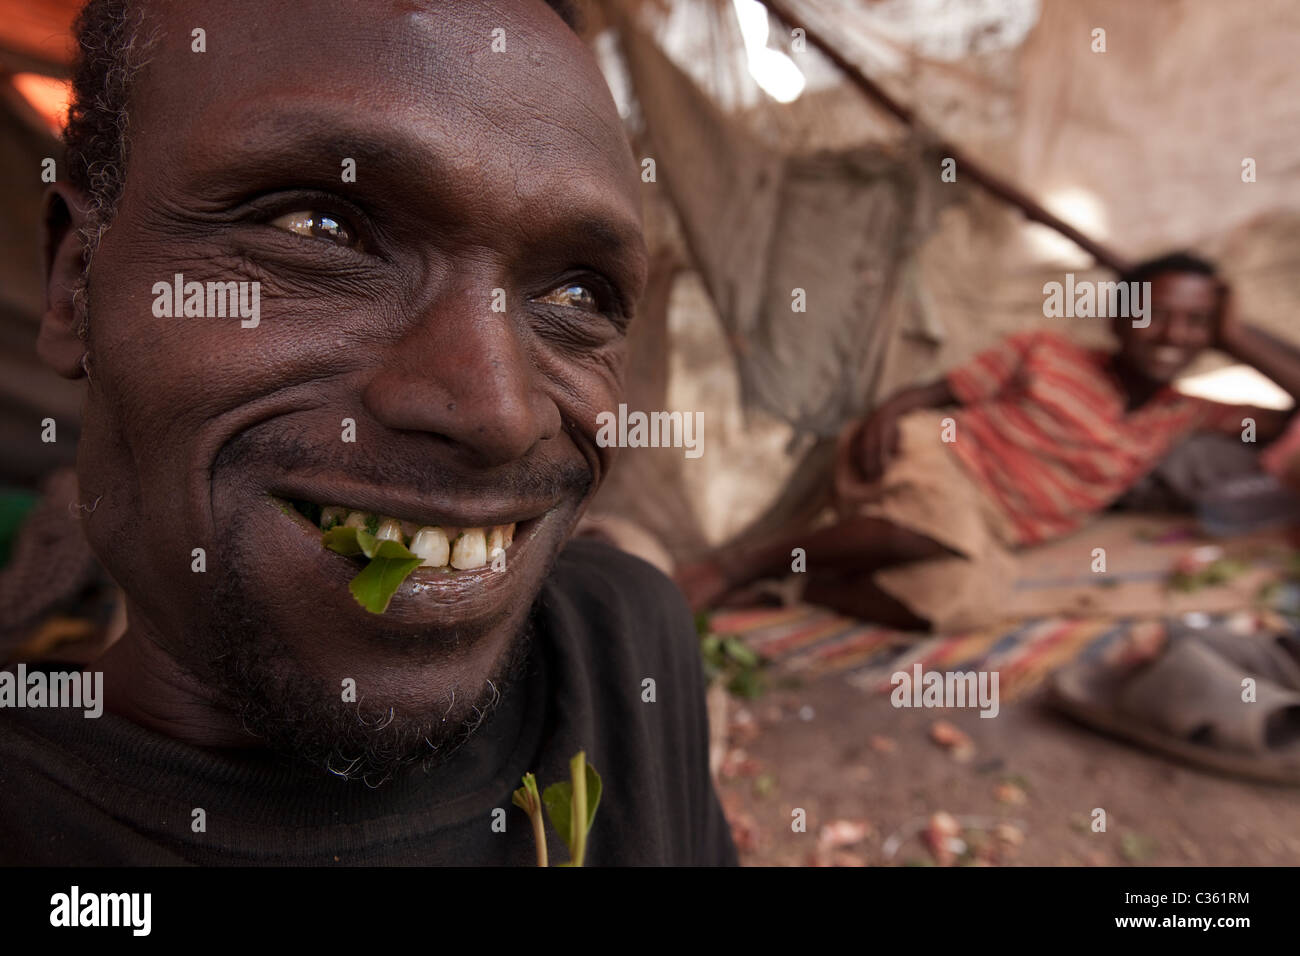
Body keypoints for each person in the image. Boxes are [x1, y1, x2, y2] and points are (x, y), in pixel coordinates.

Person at [0, 0, 736, 866]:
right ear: (75, 281)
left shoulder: (624, 646)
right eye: (322, 228)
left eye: (578, 295)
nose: (500, 413)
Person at [679, 253, 1300, 631]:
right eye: (1154, 313)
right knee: (932, 526)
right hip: (937, 455)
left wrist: (1235, 337)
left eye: (1195, 323)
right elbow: (936, 394)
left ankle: (792, 587)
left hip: (993, 523)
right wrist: (889, 411)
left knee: (967, 601)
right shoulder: (1047, 353)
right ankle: (736, 564)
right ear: (1118, 317)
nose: (1172, 334)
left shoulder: (1186, 414)